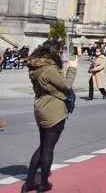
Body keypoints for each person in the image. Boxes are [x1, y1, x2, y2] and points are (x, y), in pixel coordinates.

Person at [22, 40, 78, 193]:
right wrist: (72, 69)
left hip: (40, 106)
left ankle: (28, 183)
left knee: (42, 146)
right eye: (59, 52)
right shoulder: (49, 69)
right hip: (53, 109)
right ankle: (44, 184)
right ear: (52, 52)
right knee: (48, 148)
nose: (60, 55)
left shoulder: (35, 66)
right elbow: (66, 85)